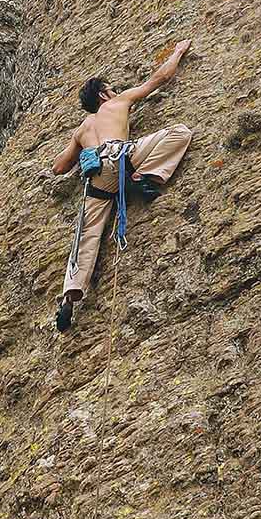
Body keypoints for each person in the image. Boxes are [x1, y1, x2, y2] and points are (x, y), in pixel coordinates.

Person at [50, 39, 195, 331]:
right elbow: (159, 79)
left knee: (86, 235)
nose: (115, 91)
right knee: (180, 132)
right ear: (104, 95)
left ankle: (69, 296)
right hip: (122, 158)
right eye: (112, 89)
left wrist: (82, 148)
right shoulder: (117, 103)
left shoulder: (82, 129)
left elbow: (59, 167)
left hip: (96, 178)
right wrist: (178, 51)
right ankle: (144, 177)